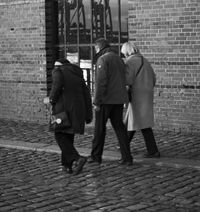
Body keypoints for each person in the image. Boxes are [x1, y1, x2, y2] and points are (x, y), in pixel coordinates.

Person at [88, 38, 133, 166]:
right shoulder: (119, 59)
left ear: (98, 48)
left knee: (99, 129)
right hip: (118, 99)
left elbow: (101, 82)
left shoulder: (103, 59)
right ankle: (127, 157)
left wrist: (96, 101)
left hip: (106, 100)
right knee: (120, 128)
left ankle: (96, 156)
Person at [47, 58, 92, 175]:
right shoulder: (77, 73)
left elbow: (56, 86)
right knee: (68, 137)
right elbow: (86, 94)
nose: (55, 68)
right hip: (77, 111)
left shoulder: (59, 71)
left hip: (63, 111)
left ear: (61, 65)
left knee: (59, 135)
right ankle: (67, 166)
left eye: (56, 66)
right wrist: (88, 115)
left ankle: (77, 158)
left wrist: (51, 100)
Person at [121, 41, 160, 158]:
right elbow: (153, 78)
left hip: (136, 95)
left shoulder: (130, 62)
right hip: (146, 94)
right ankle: (125, 145)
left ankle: (151, 150)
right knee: (139, 121)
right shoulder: (145, 60)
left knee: (137, 122)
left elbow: (127, 80)